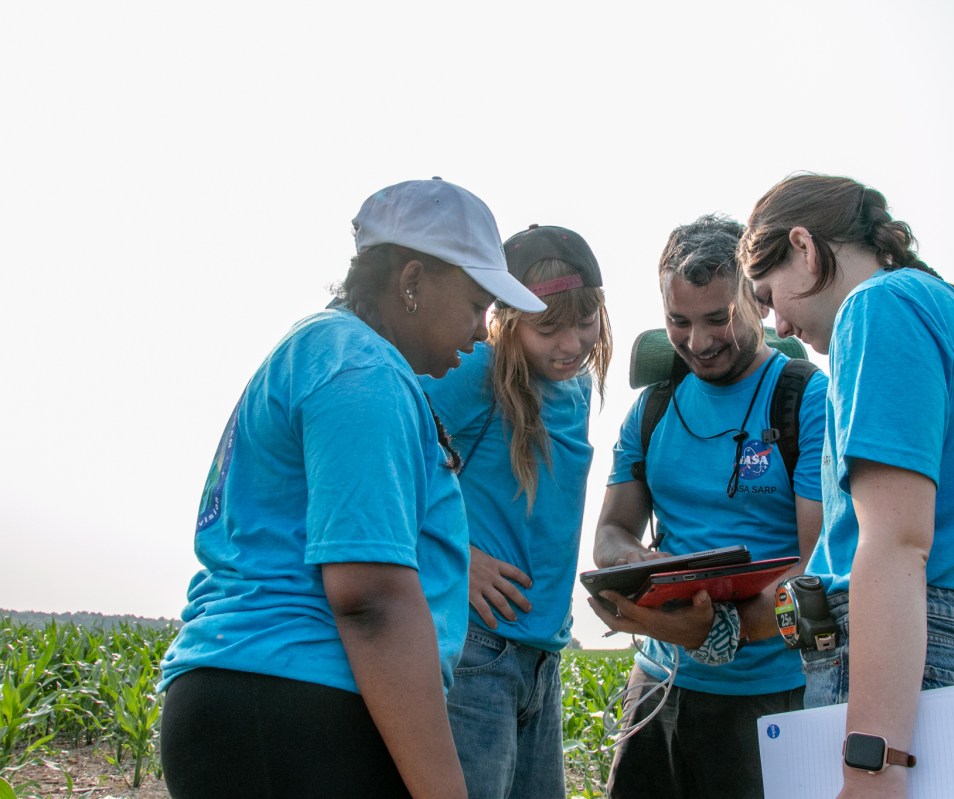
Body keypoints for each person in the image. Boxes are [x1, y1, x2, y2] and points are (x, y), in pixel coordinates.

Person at [157, 177, 546, 799]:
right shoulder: (362, 372)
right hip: (298, 710)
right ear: (412, 280)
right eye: (477, 305)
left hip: (251, 696)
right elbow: (370, 598)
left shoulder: (321, 352)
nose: (482, 332)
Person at [739, 173, 954, 799]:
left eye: (769, 294)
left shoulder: (877, 308)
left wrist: (873, 766)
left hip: (916, 695)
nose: (778, 322)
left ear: (804, 247)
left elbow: (894, 543)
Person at [588, 214, 828, 799]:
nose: (698, 342)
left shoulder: (806, 398)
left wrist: (718, 631)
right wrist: (639, 575)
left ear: (757, 300)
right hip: (660, 686)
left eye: (718, 318)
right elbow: (613, 530)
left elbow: (820, 565)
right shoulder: (651, 411)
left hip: (774, 695)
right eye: (679, 321)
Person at [420, 224, 613, 799]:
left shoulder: (577, 391)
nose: (571, 345)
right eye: (547, 328)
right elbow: (384, 463)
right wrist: (458, 558)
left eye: (585, 323)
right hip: (476, 649)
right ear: (505, 319)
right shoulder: (473, 373)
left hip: (541, 654)